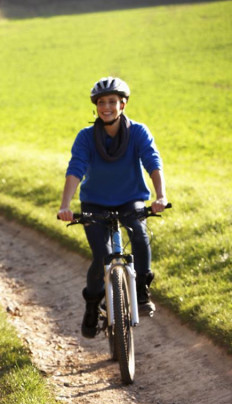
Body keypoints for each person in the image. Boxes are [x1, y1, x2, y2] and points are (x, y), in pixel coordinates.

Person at [57, 77, 168, 339]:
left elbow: (152, 161)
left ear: (123, 104)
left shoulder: (139, 132)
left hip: (131, 199)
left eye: (112, 102)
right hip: (95, 202)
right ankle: (93, 305)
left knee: (139, 237)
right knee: (101, 256)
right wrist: (65, 206)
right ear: (96, 106)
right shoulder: (85, 138)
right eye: (101, 102)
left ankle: (141, 290)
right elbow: (76, 169)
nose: (106, 107)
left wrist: (161, 196)